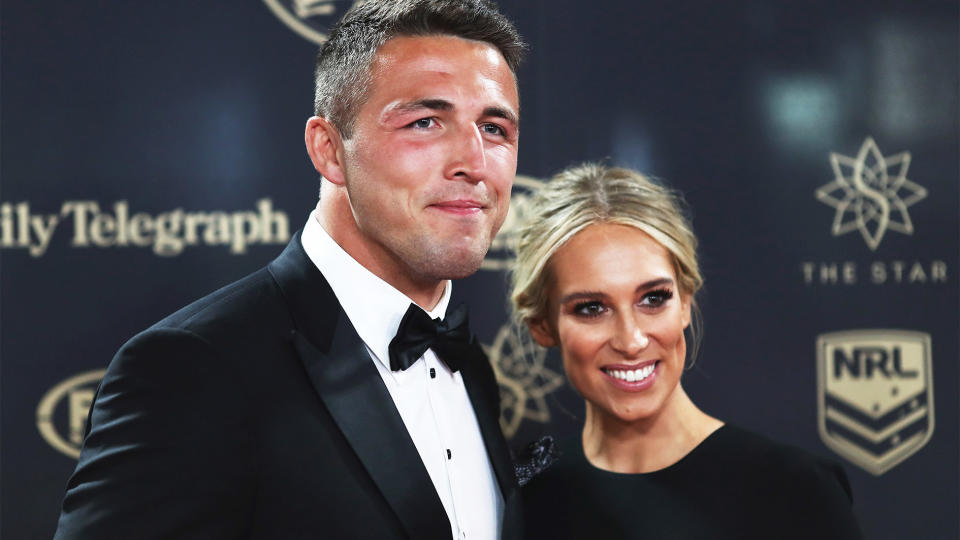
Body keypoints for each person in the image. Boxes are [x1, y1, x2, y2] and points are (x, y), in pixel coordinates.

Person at [54, 1, 525, 538]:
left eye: (494, 128)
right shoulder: (192, 369)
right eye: (424, 122)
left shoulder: (471, 364)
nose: (474, 161)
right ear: (329, 150)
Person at [510, 163, 863, 540]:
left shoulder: (795, 491)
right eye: (591, 308)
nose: (631, 341)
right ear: (542, 325)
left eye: (652, 299)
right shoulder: (527, 494)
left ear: (685, 303)